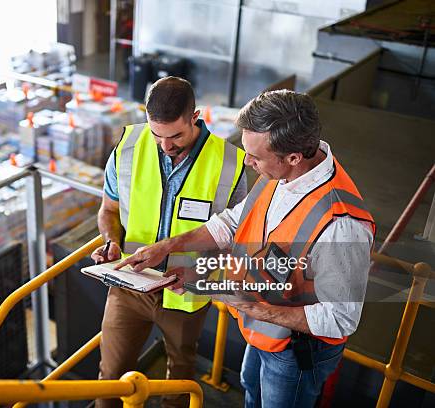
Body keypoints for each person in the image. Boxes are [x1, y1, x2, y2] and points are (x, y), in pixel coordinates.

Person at [116, 90, 375, 408]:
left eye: (255, 156)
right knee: (251, 387)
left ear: (293, 157)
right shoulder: (280, 172)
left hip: (295, 350)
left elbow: (340, 319)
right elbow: (231, 223)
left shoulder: (341, 224)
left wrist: (251, 306)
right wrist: (168, 246)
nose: (247, 162)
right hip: (264, 329)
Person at [90, 76, 247, 408]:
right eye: (156, 134)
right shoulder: (130, 146)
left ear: (195, 116)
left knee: (179, 383)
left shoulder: (231, 163)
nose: (165, 145)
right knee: (111, 379)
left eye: (175, 135)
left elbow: (237, 238)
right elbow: (109, 209)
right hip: (129, 285)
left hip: (186, 295)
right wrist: (111, 241)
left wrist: (200, 272)